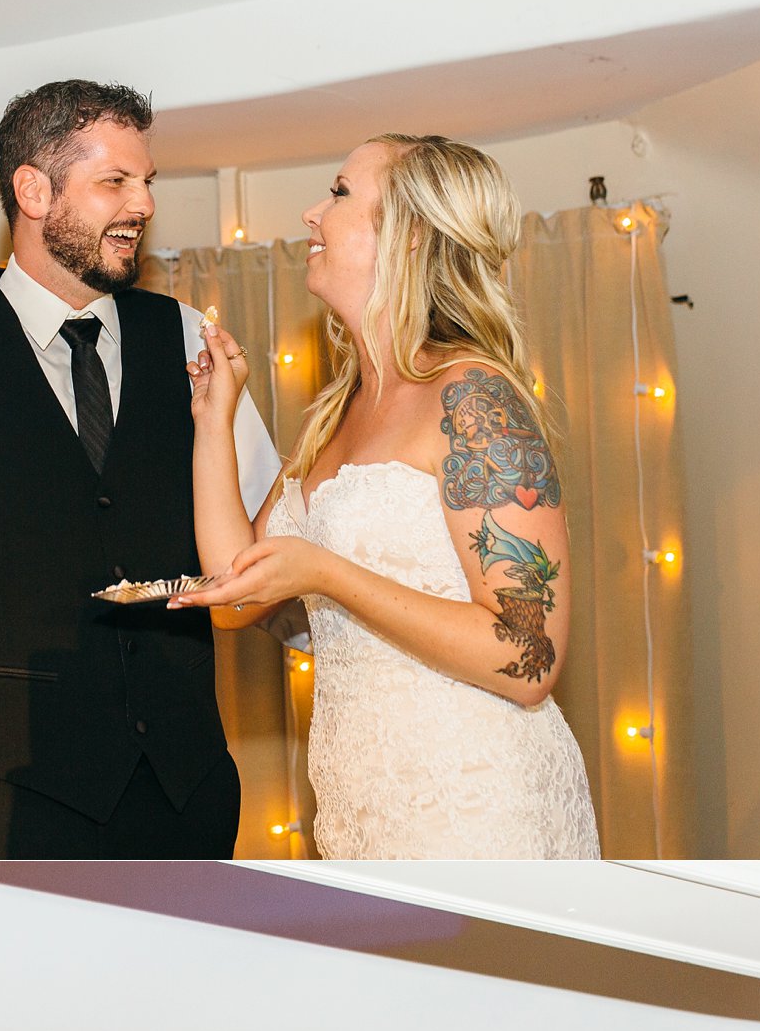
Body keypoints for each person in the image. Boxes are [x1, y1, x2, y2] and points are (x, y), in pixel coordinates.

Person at [0, 80, 280, 860]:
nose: (143, 204)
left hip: (186, 804)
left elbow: (270, 547)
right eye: (115, 182)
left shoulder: (191, 336)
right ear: (33, 190)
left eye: (148, 181)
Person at [181, 135, 601, 859]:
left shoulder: (473, 399)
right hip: (363, 819)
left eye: (340, 193)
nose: (313, 212)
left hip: (479, 812)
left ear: (408, 236)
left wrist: (325, 573)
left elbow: (530, 656)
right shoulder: (339, 411)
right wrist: (214, 420)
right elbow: (234, 592)